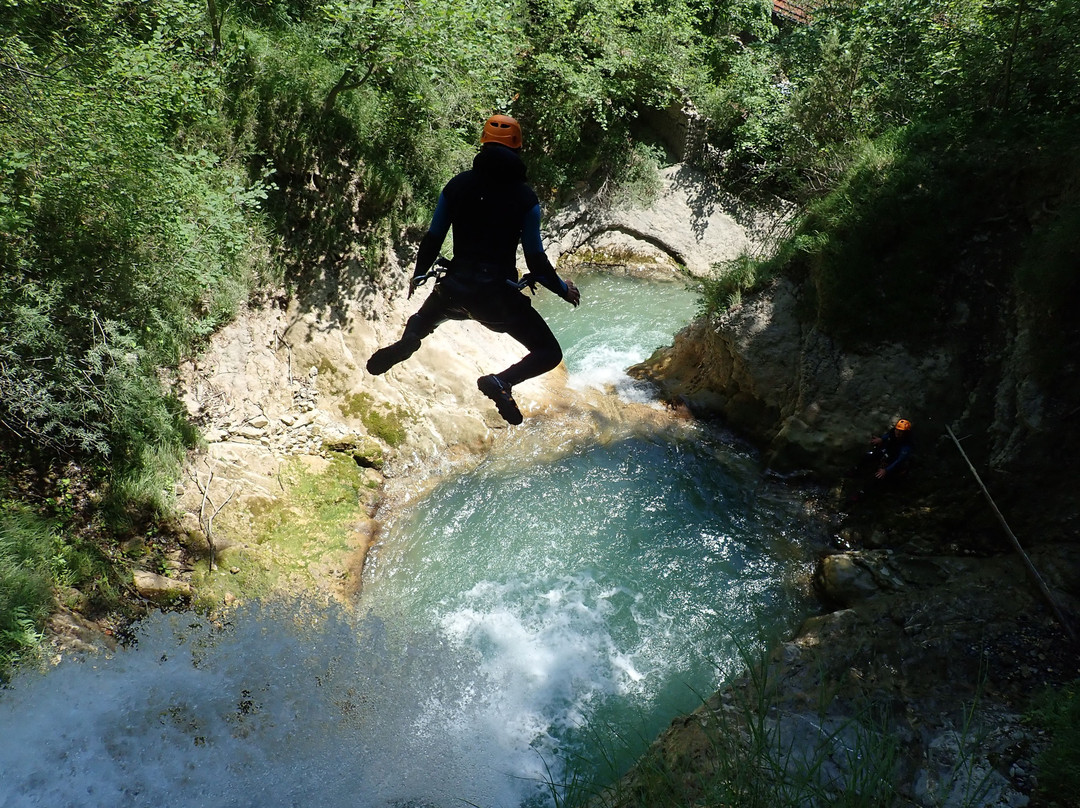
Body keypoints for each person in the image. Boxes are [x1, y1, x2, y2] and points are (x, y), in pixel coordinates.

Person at [365, 114, 580, 425]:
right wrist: (564, 290)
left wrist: (418, 274)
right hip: (497, 300)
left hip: (454, 288)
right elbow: (536, 260)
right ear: (517, 147)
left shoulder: (457, 186)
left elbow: (434, 236)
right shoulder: (525, 198)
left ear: (483, 143)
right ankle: (502, 382)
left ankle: (410, 339)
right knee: (549, 353)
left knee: (423, 319)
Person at [846, 418, 914, 502]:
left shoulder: (906, 445)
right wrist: (881, 439)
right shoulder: (893, 432)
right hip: (888, 452)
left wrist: (886, 470)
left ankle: (861, 493)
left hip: (895, 461)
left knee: (877, 477)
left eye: (901, 431)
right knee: (867, 456)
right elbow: (889, 435)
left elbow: (899, 461)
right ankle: (855, 470)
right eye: (897, 430)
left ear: (905, 433)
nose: (898, 432)